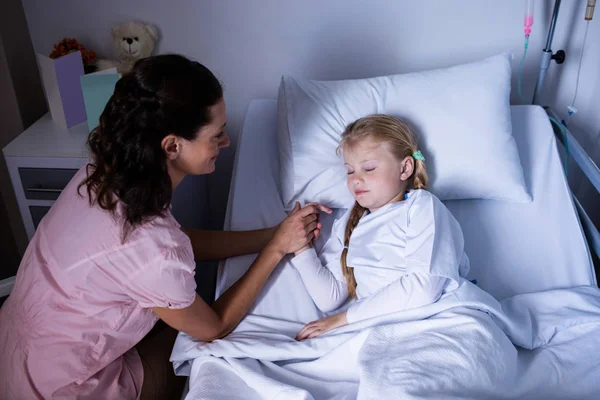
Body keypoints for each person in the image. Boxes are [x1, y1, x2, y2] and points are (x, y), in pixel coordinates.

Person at [0, 54, 330, 399]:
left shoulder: (99, 175)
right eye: (216, 135)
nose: (227, 142)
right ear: (172, 146)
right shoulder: (150, 244)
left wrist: (270, 236)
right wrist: (277, 249)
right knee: (200, 351)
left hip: (16, 354)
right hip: (63, 388)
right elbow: (212, 327)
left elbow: (172, 244)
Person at [291, 115, 470, 341]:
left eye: (369, 168)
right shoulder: (348, 223)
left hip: (438, 318)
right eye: (349, 171)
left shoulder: (422, 207)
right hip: (379, 329)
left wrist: (344, 318)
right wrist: (301, 248)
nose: (356, 180)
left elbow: (423, 289)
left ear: (405, 168)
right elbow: (330, 297)